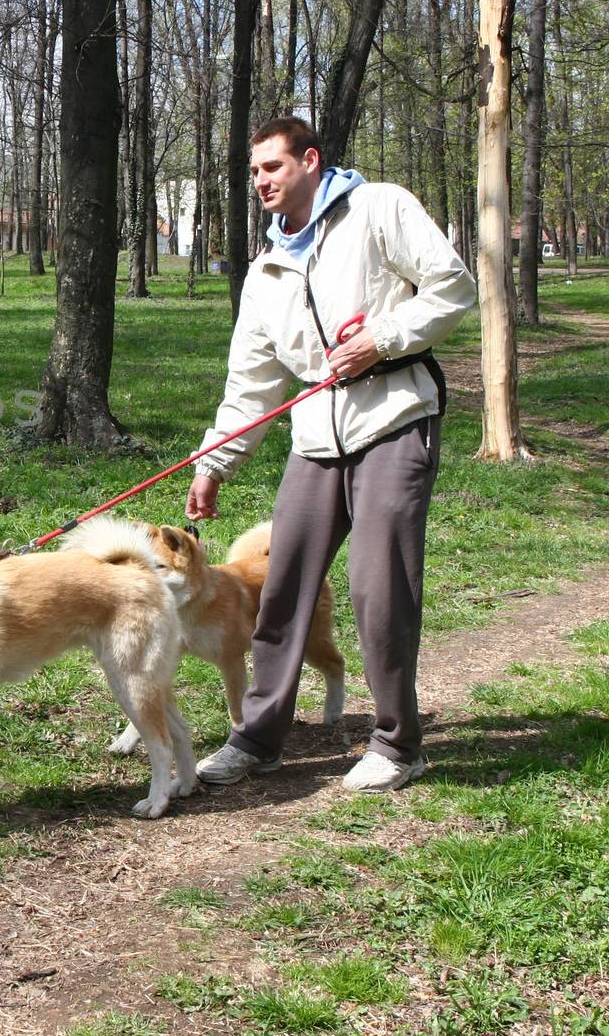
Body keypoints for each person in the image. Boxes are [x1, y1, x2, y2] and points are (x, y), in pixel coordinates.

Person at [187, 116, 476, 793]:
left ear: (310, 160)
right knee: (282, 588)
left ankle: (398, 744)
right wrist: (214, 464)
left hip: (396, 417)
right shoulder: (265, 272)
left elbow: (452, 286)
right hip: (317, 436)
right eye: (254, 171)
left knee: (379, 587)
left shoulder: (379, 208)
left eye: (272, 167)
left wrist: (383, 336)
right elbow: (251, 384)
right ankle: (258, 739)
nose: (260, 181)